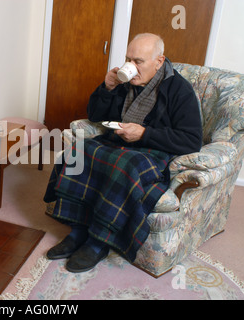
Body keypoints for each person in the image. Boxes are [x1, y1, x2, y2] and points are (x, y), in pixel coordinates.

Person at [43, 33, 202, 273]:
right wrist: (107, 88)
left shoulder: (179, 90)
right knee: (80, 149)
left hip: (153, 151)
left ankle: (98, 243)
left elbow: (192, 140)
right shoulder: (125, 82)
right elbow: (96, 115)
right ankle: (77, 231)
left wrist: (144, 134)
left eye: (138, 61)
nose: (131, 66)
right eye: (129, 59)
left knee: (123, 165)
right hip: (121, 142)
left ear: (159, 62)